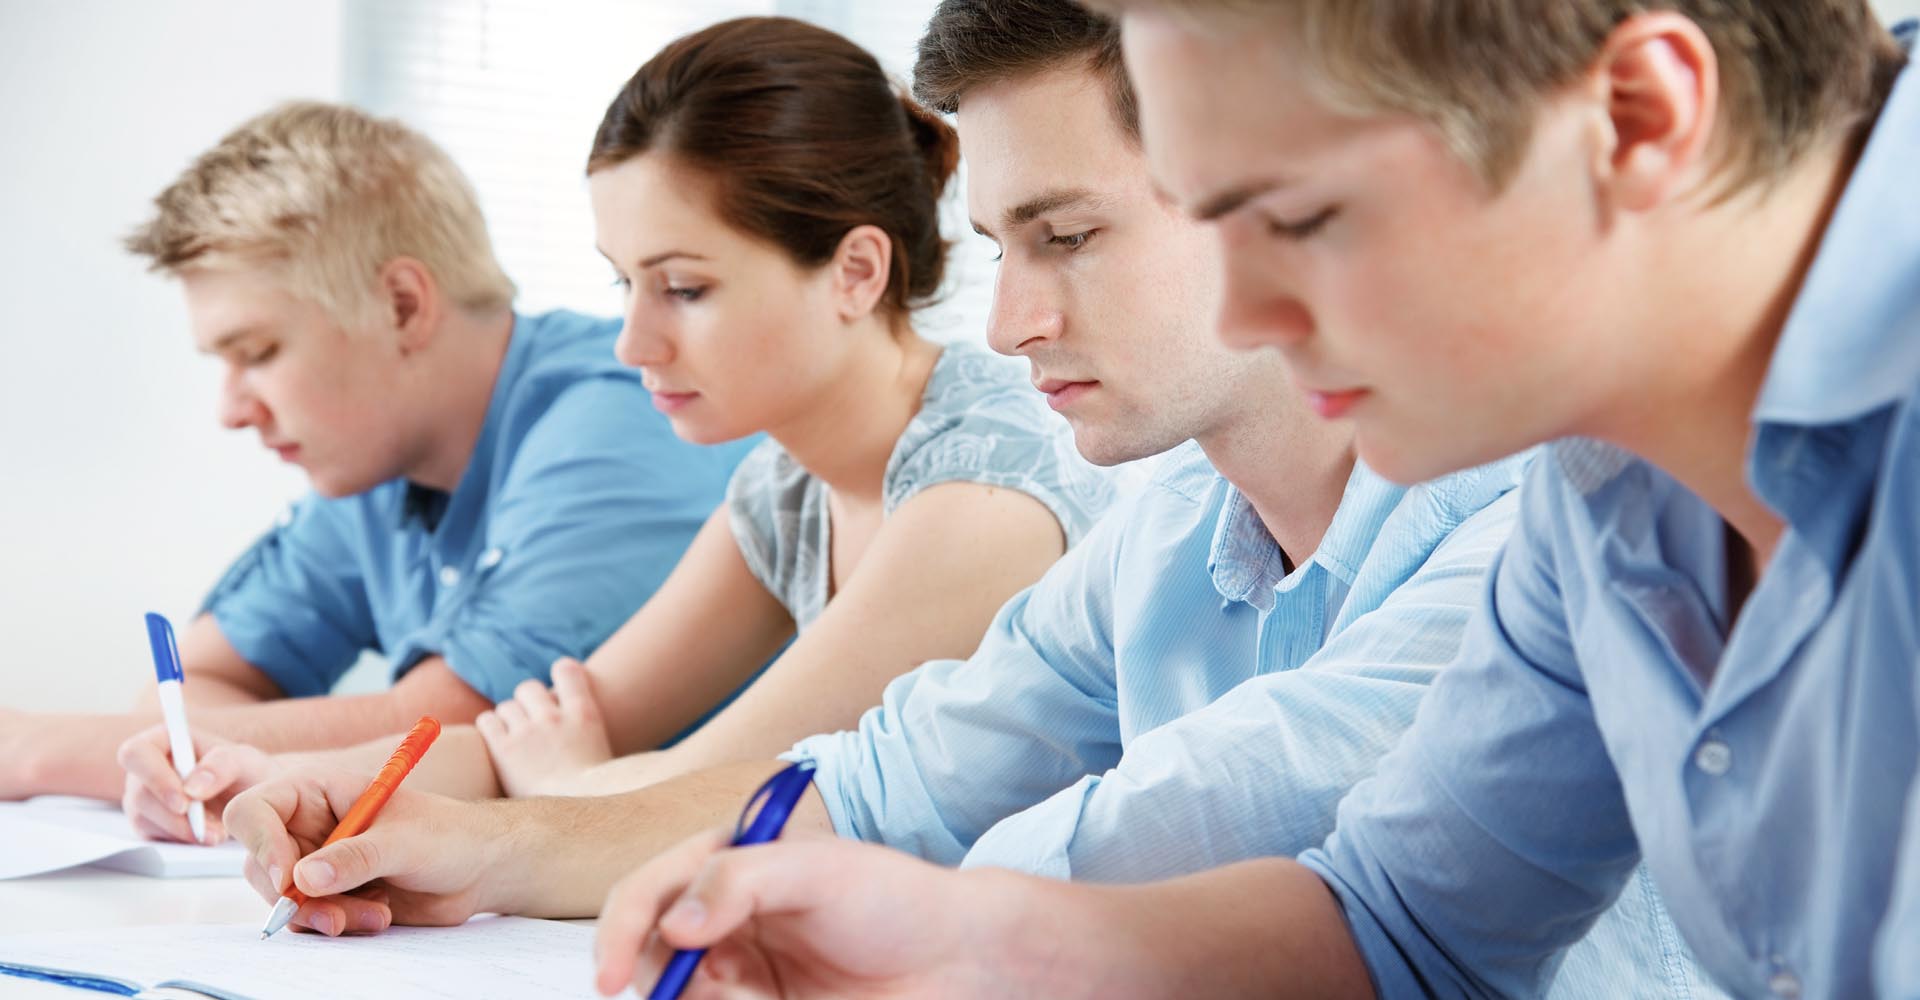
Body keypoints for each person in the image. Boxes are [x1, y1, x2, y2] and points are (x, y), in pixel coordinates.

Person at [223, 11, 1704, 995]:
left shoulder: (1523, 496)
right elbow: (870, 787)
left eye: (1071, 234)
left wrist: (892, 907)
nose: (1009, 320)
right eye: (1004, 244)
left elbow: (1200, 818)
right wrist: (474, 848)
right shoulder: (1163, 524)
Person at [568, 2, 1920, 998]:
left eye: (1302, 217)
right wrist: (967, 937)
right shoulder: (1602, 482)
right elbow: (1405, 928)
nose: (1247, 309)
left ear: (1635, 119)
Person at [123, 15, 1113, 843]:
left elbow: (703, 798)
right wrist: (272, 777)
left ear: (857, 272)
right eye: (625, 283)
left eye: (684, 287)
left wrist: (561, 783)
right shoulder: (784, 487)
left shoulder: (981, 496)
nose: (634, 341)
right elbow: (544, 729)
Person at [0, 101, 748, 818]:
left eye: (257, 353)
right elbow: (197, 684)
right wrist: (196, 771)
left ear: (401, 305)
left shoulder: (630, 412)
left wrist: (35, 748)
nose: (230, 411)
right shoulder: (373, 467)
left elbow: (444, 731)